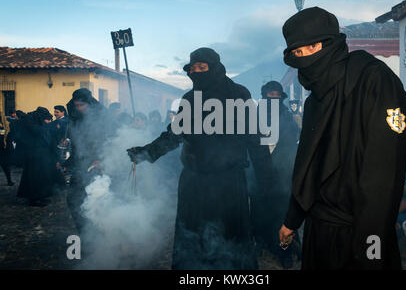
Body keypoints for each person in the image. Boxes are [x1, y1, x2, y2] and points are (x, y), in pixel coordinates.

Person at [278, 7, 406, 270]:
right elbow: (309, 163)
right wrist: (293, 219)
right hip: (319, 229)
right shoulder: (316, 97)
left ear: (329, 43)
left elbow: (384, 172)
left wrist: (371, 246)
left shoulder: (374, 79)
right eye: (297, 54)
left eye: (310, 48)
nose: (304, 59)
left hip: (359, 230)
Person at [127, 47, 275, 270]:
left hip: (229, 183)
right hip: (194, 183)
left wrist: (266, 178)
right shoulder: (189, 98)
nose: (196, 73)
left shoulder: (239, 94)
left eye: (202, 68)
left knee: (232, 238)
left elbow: (254, 137)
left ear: (215, 67)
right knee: (193, 238)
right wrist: (146, 152)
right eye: (193, 69)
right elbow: (175, 134)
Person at [252, 81, 300, 268]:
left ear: (281, 98)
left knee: (281, 215)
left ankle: (284, 252)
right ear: (264, 97)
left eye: (277, 95)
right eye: (270, 95)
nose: (273, 98)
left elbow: (294, 143)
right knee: (258, 213)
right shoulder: (254, 118)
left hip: (282, 177)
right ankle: (262, 245)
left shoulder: (288, 118)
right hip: (259, 177)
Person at [65, 88, 113, 232]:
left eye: (82, 105)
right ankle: (83, 230)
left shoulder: (102, 116)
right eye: (76, 105)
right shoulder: (75, 116)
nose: (79, 108)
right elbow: (76, 142)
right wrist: (69, 161)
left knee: (97, 198)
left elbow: (109, 140)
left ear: (89, 103)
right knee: (73, 199)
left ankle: (100, 231)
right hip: (81, 162)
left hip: (98, 164)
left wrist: (101, 159)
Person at [16, 107, 56, 206]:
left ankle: (40, 196)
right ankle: (34, 199)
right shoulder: (29, 120)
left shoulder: (34, 120)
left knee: (40, 176)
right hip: (32, 153)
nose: (47, 121)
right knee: (34, 177)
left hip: (38, 152)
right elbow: (37, 131)